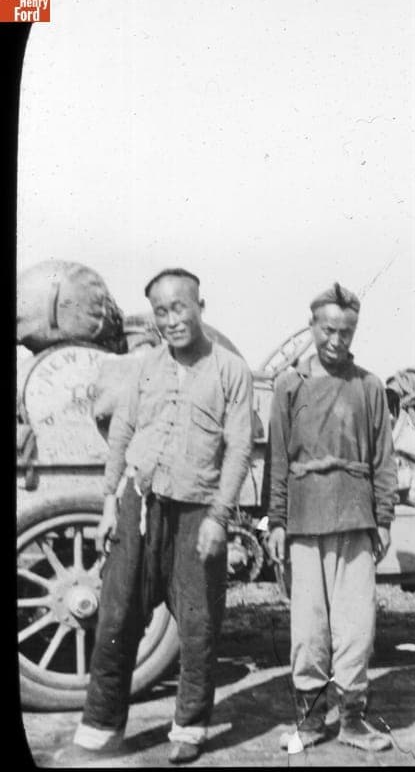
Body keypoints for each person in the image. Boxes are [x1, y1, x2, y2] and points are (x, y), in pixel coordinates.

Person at [66, 268, 253, 765]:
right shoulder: (145, 365)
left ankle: (189, 728)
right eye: (162, 311)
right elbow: (123, 431)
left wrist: (219, 516)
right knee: (117, 612)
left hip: (198, 511)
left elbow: (238, 450)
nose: (172, 319)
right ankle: (101, 725)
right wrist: (110, 502)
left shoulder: (231, 370)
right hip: (140, 504)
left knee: (198, 623)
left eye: (180, 307)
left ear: (200, 306)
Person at [265, 282, 397, 754]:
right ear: (312, 327)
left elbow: (383, 458)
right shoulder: (289, 386)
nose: (337, 341)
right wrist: (276, 521)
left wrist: (383, 518)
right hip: (303, 520)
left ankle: (354, 721)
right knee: (308, 630)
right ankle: (310, 720)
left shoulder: (369, 385)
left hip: (356, 519)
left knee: (357, 628)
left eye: (346, 331)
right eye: (328, 330)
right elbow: (277, 459)